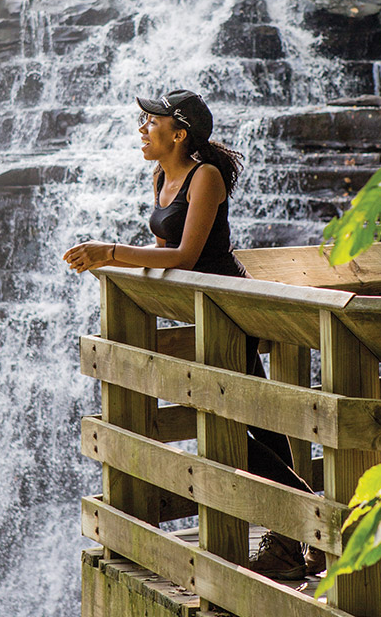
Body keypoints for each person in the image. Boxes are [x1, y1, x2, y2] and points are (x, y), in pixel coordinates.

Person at [63, 89, 324, 579]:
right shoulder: (162, 174)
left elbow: (185, 256)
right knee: (256, 422)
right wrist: (116, 261)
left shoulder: (206, 177)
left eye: (151, 122)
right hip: (201, 311)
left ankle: (304, 524)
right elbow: (163, 249)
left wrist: (111, 251)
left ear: (179, 133)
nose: (142, 128)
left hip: (231, 309)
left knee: (229, 425)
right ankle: (302, 536)